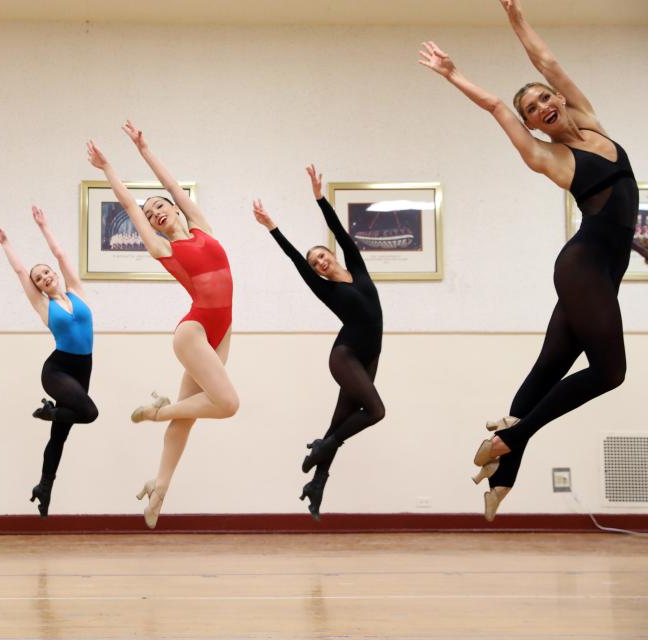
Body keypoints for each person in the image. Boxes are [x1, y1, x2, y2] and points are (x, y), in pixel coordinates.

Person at [420, 0, 637, 519]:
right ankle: (510, 443)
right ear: (534, 126)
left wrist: (517, 20)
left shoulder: (590, 120)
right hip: (583, 267)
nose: (542, 105)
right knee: (610, 374)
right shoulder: (549, 155)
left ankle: (502, 478)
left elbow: (549, 63)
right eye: (533, 110)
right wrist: (454, 75)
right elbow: (498, 106)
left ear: (559, 99)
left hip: (604, 266)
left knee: (549, 369)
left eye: (545, 98)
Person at [86, 122, 238, 528]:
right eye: (151, 214)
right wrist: (108, 169)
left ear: (175, 207)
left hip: (222, 330)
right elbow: (130, 207)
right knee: (227, 404)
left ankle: (159, 490)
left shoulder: (201, 224)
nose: (155, 213)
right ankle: (156, 413)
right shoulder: (163, 247)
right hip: (195, 331)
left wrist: (145, 150)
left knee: (187, 417)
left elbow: (170, 184)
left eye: (161, 207)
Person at [252, 164, 384, 520]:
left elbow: (340, 232)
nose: (319, 261)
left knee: (339, 421)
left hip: (369, 356)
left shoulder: (357, 268)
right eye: (315, 263)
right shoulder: (325, 289)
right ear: (317, 271)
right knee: (375, 412)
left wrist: (319, 198)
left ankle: (317, 482)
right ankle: (323, 448)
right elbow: (294, 259)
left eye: (321, 255)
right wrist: (272, 227)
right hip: (345, 356)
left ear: (332, 255)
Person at [0, 206, 98, 517]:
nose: (44, 277)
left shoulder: (77, 291)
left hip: (83, 369)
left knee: (59, 436)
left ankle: (44, 486)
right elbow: (21, 272)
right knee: (89, 413)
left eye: (47, 272)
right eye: (40, 278)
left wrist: (44, 226)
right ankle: (49, 411)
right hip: (58, 370)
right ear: (38, 287)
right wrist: (6, 242)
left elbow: (61, 254)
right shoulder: (42, 305)